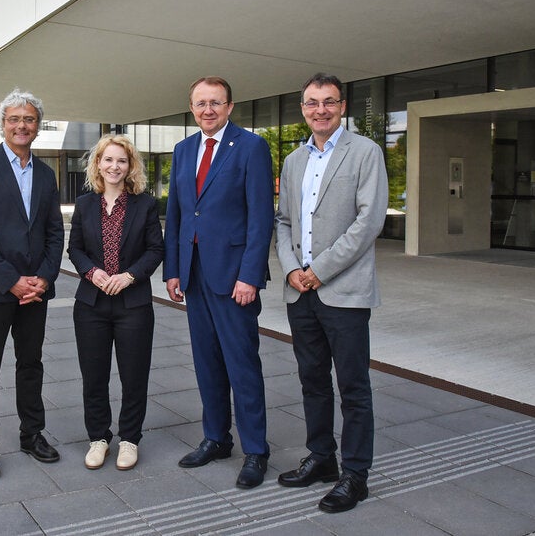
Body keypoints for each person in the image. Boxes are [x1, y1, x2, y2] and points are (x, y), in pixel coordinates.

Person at [274, 72, 388, 512]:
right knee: (312, 380)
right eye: (311, 102)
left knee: (353, 386)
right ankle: (322, 458)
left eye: (328, 101)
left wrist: (317, 270)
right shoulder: (293, 160)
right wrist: (290, 271)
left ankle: (355, 475)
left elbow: (369, 221)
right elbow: (283, 221)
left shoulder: (366, 152)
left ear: (342, 106)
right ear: (303, 108)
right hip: (300, 292)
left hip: (343, 292)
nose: (319, 109)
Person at [163, 76, 274, 489]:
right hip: (193, 275)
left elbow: (261, 218)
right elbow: (176, 215)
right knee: (207, 362)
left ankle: (256, 450)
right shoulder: (183, 150)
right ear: (191, 108)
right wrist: (173, 269)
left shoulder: (250, 147)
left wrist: (250, 275)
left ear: (229, 106)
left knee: (242, 365)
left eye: (215, 102)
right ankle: (216, 438)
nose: (207, 110)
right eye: (199, 103)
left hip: (234, 279)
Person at [0, 88, 65, 480]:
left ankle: (31, 434)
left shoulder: (46, 173)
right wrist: (12, 281)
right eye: (15, 119)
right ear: (2, 124)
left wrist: (44, 278)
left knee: (31, 364)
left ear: (38, 127)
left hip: (35, 290)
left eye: (30, 119)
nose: (22, 125)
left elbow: (55, 232)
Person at [68, 134, 164, 471]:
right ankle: (98, 438)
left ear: (130, 166)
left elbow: (156, 250)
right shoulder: (84, 204)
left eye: (121, 161)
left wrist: (129, 276)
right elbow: (74, 249)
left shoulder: (145, 204)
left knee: (133, 375)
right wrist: (92, 272)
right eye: (108, 160)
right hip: (91, 304)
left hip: (133, 303)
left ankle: (129, 440)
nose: (114, 166)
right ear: (97, 164)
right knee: (94, 376)